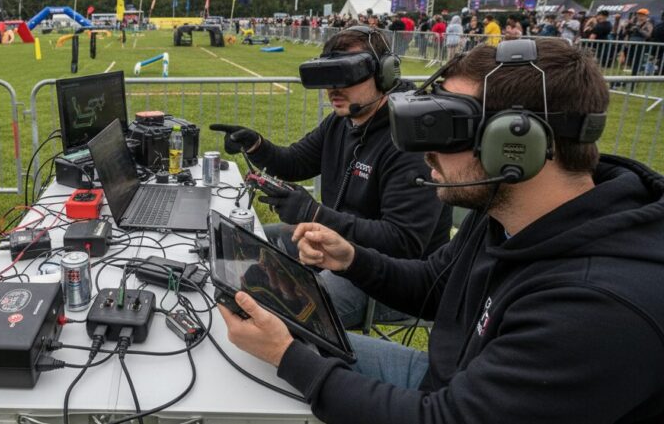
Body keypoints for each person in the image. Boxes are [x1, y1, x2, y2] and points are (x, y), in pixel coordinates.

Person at [220, 38, 664, 423]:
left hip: (445, 405)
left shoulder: (596, 306)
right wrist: (351, 258)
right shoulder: (503, 209)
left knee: (280, 351)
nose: (426, 150)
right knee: (260, 345)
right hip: (445, 379)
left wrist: (287, 356)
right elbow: (433, 284)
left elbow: (446, 418)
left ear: (516, 144)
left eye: (449, 127)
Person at [210, 27, 451, 328]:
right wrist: (256, 144)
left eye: (346, 75)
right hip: (332, 246)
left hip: (386, 277)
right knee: (240, 242)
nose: (333, 89)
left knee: (280, 315)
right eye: (327, 77)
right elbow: (295, 162)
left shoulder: (410, 140)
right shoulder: (343, 120)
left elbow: (402, 242)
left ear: (384, 74)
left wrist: (316, 214)